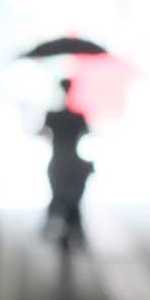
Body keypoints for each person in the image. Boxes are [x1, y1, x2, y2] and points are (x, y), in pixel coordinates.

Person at [41, 78, 93, 246]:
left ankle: (51, 225)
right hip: (72, 160)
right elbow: (88, 132)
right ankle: (76, 231)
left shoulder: (53, 116)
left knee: (57, 196)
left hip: (58, 161)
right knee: (71, 198)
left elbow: (42, 133)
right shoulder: (77, 116)